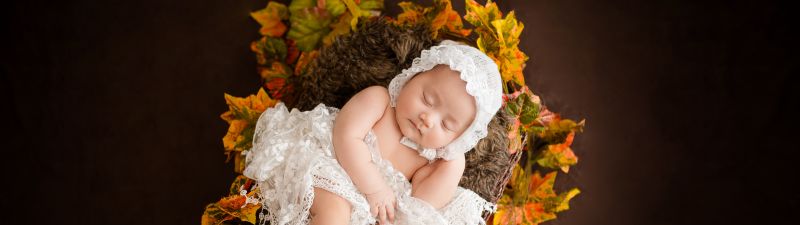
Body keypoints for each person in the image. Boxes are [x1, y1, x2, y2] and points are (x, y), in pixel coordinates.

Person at [243, 40, 503, 225]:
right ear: (412, 77)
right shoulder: (380, 101)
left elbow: (422, 206)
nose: (428, 118)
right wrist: (375, 188)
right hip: (331, 167)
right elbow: (345, 136)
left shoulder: (431, 158)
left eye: (447, 125)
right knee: (334, 215)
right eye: (427, 98)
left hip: (370, 209)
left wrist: (453, 161)